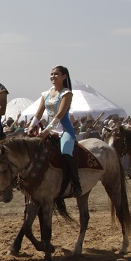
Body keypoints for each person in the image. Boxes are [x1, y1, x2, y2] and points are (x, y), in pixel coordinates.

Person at [27, 65, 81, 196]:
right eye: (51, 74)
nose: (53, 76)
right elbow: (39, 113)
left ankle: (76, 184)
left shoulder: (66, 93)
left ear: (64, 76)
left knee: (65, 153)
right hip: (49, 129)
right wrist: (31, 126)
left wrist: (46, 130)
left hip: (64, 130)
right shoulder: (45, 94)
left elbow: (60, 114)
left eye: (56, 74)